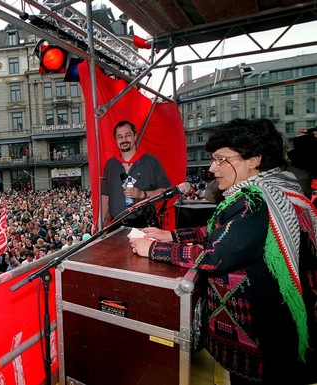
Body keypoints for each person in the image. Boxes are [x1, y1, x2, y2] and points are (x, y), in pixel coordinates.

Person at [129, 118, 317, 385]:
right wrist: (170, 235)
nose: (211, 168)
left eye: (220, 159)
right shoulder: (270, 191)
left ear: (253, 159)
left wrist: (155, 249)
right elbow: (218, 231)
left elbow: (216, 255)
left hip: (261, 341)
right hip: (264, 333)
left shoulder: (255, 201)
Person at [101, 120, 171, 228]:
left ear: (135, 136)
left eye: (127, 135)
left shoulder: (151, 162)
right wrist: (100, 224)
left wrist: (142, 194)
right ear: (115, 140)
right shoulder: (111, 165)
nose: (124, 140)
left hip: (144, 224)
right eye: (119, 137)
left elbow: (166, 192)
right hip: (116, 226)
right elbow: (105, 195)